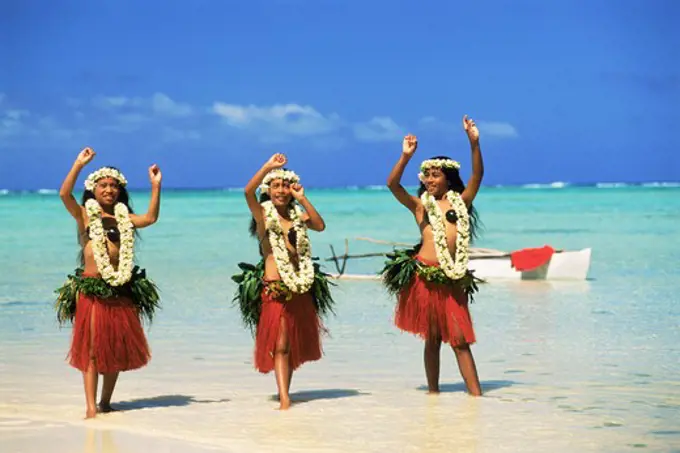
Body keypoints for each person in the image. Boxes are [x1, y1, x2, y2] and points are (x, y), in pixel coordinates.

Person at [55, 147, 162, 418]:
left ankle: (105, 402)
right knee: (91, 350)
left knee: (113, 348)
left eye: (114, 186)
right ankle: (90, 407)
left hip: (120, 289)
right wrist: (78, 164)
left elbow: (150, 218)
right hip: (92, 290)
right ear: (93, 189)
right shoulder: (84, 215)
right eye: (103, 185)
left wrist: (155, 186)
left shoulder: (124, 219)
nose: (109, 190)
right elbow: (64, 194)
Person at [383, 115, 484, 396]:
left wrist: (474, 143)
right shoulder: (420, 207)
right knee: (433, 339)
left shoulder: (460, 203)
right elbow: (393, 185)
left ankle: (477, 397)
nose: (429, 180)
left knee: (460, 340)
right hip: (425, 278)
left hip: (451, 279)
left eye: (435, 175)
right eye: (426, 175)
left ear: (448, 179)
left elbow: (477, 177)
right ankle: (433, 394)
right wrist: (405, 157)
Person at [233, 153, 335, 410]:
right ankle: (285, 399)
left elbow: (320, 226)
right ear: (268, 190)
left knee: (290, 345)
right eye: (275, 186)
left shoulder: (298, 218)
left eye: (285, 186)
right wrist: (268, 166)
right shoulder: (263, 218)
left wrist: (302, 199)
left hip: (299, 289)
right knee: (280, 345)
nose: (281, 190)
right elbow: (247, 192)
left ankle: (285, 391)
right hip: (275, 289)